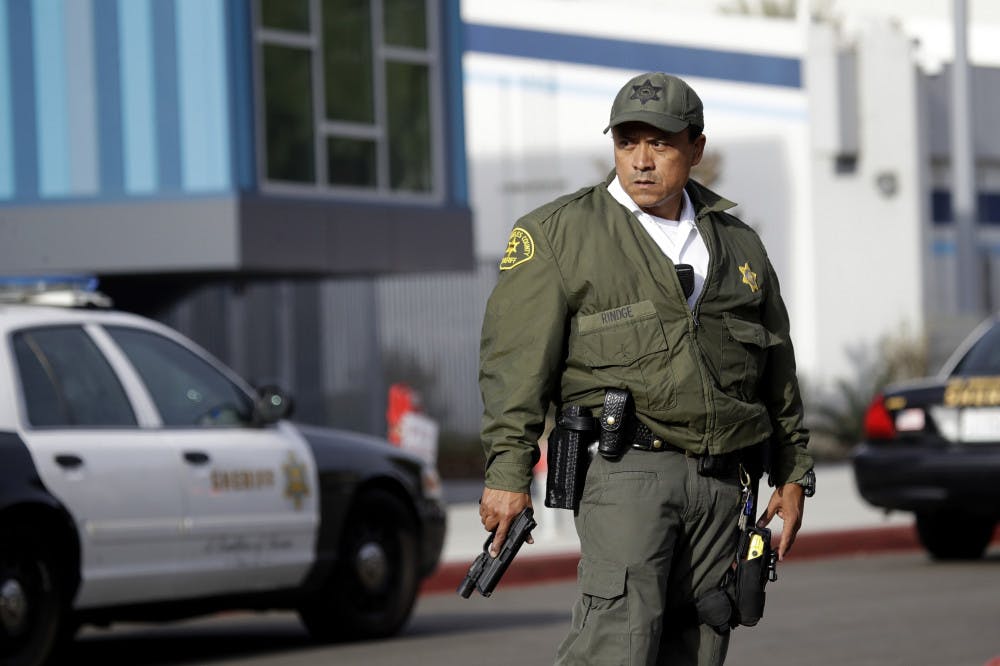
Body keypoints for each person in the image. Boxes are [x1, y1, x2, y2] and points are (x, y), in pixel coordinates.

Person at [476, 71, 814, 665]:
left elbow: (775, 367)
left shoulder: (738, 243)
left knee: (703, 642)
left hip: (721, 483)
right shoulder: (557, 235)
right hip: (625, 471)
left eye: (659, 143)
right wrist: (507, 474)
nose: (641, 160)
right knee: (616, 647)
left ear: (696, 149)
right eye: (627, 142)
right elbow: (514, 367)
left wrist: (792, 471)